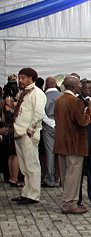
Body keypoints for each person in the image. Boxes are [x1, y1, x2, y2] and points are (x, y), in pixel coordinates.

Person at [54, 76, 91, 214]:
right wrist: (89, 111)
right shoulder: (75, 101)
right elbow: (82, 122)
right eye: (79, 85)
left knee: (65, 174)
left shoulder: (59, 100)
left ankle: (67, 201)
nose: (81, 87)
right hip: (74, 143)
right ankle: (70, 203)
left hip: (61, 142)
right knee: (73, 174)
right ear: (75, 86)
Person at [10, 68, 46, 205]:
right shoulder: (22, 93)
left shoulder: (37, 93)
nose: (20, 80)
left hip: (27, 135)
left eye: (23, 78)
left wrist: (29, 131)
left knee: (32, 165)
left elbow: (38, 114)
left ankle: (33, 195)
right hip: (19, 133)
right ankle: (26, 192)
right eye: (20, 78)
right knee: (24, 166)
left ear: (31, 79)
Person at [41, 77, 62, 188]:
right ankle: (61, 178)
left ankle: (50, 179)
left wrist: (51, 123)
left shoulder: (43, 96)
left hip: (48, 126)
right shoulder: (62, 96)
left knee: (50, 154)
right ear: (55, 84)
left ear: (46, 85)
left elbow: (41, 113)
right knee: (62, 154)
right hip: (61, 126)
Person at [1, 84, 20, 187]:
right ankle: (15, 178)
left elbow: (3, 119)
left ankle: (10, 177)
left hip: (6, 130)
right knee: (16, 155)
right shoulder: (16, 102)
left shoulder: (4, 103)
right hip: (14, 129)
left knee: (10, 155)